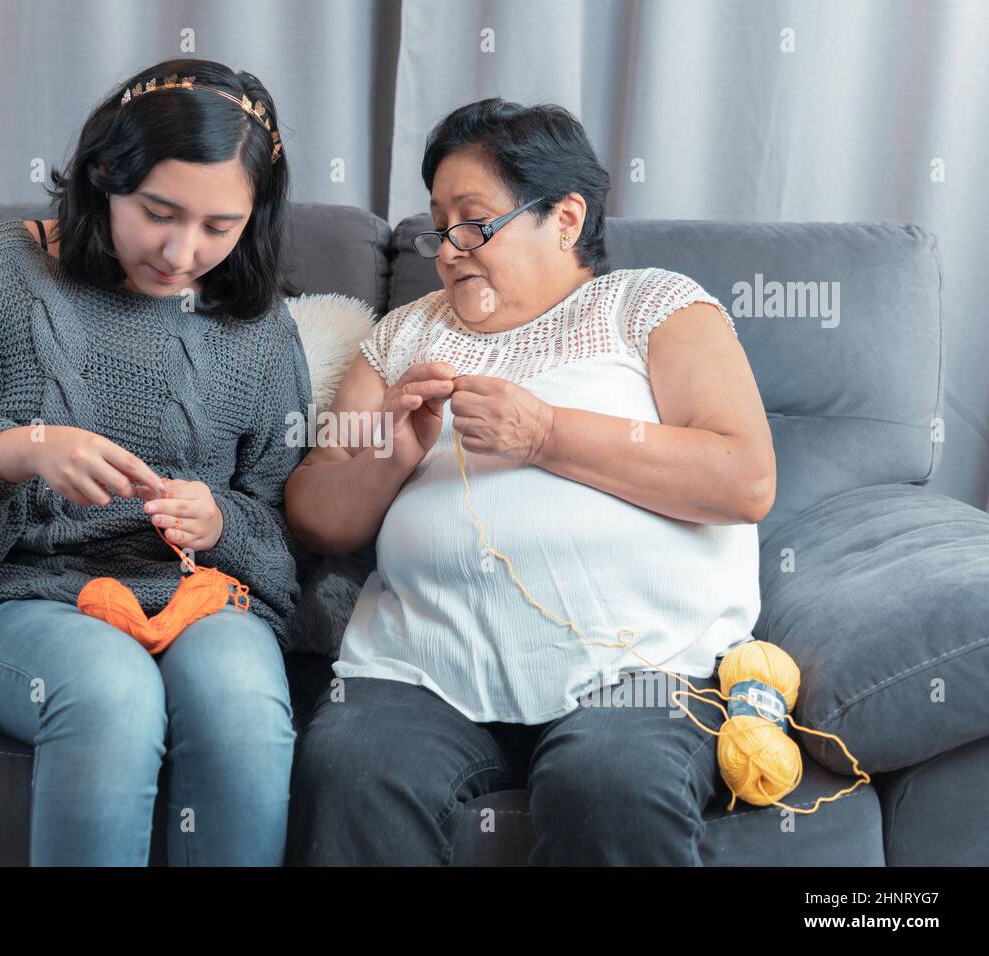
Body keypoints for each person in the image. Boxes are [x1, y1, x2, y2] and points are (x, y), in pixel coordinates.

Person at [284, 97, 776, 866]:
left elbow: (743, 478)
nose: (449, 250)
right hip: (421, 669)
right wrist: (390, 458)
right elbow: (315, 512)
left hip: (638, 667)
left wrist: (547, 434)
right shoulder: (402, 336)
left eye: (474, 221)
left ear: (566, 219)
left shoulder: (652, 307)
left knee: (610, 780)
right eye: (440, 224)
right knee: (350, 765)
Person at [0, 58, 312, 866]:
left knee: (243, 708)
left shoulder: (261, 326)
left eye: (220, 225)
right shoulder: (5, 268)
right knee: (110, 693)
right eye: (158, 212)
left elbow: (279, 518)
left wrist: (218, 519)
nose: (181, 252)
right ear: (107, 177)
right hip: (28, 598)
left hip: (195, 594)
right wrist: (21, 449)